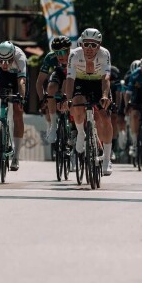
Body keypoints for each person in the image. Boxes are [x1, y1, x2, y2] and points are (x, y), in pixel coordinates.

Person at [62, 28, 114, 176]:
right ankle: (80, 133)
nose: (90, 48)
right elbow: (70, 79)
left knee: (105, 116)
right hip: (81, 82)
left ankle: (107, 159)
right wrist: (68, 98)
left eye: (93, 45)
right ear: (81, 44)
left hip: (99, 83)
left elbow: (105, 78)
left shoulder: (105, 54)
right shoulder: (74, 55)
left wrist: (104, 96)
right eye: (86, 44)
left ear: (99, 45)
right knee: (77, 103)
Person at [0, 41, 28, 171]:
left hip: (18, 79)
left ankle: (16, 157)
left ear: (13, 56)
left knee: (17, 111)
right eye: (1, 61)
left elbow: (22, 81)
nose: (4, 64)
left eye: (8, 61)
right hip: (3, 76)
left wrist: (21, 98)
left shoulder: (20, 57)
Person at [36, 35, 71, 144]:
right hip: (59, 74)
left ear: (69, 50)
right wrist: (42, 99)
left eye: (62, 52)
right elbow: (39, 82)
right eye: (56, 52)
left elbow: (69, 79)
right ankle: (53, 125)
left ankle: (74, 127)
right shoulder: (50, 58)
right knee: (50, 88)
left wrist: (65, 95)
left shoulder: (74, 56)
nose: (59, 56)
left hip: (72, 76)